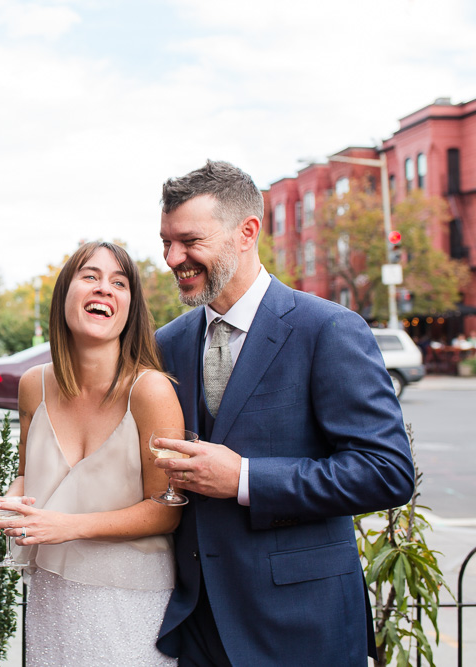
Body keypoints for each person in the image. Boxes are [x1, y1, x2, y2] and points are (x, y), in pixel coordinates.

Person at [152, 160, 415, 666]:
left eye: (188, 241)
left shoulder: (329, 330)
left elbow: (387, 472)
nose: (171, 258)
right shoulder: (168, 343)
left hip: (302, 626)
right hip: (199, 627)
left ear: (247, 232)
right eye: (165, 242)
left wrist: (244, 478)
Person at [0, 241, 183, 666]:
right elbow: (28, 475)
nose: (104, 288)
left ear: (130, 307)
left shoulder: (151, 391)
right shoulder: (33, 384)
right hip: (53, 595)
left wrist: (66, 525)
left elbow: (167, 510)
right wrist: (9, 503)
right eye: (90, 276)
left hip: (131, 604)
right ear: (64, 296)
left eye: (119, 282)